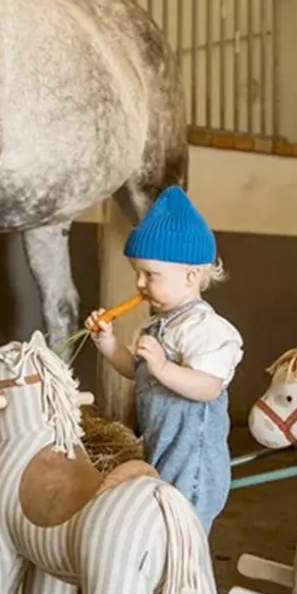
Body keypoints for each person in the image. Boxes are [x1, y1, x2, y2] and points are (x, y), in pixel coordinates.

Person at [86, 186, 243, 533]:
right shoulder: (158, 325)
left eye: (150, 275)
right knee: (159, 525)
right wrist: (108, 343)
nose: (140, 284)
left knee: (183, 531)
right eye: (137, 273)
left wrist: (163, 367)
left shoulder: (204, 329)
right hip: (161, 448)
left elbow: (208, 387)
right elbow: (137, 371)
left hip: (193, 461)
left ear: (190, 276)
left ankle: (186, 570)